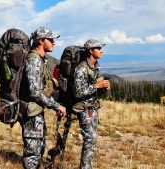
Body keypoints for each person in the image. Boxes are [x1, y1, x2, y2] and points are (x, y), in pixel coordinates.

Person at [19, 27, 66, 169]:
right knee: (32, 155)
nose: (54, 43)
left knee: (38, 151)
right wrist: (56, 106)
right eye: (50, 39)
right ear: (41, 40)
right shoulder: (34, 60)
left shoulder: (40, 59)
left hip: (35, 111)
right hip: (31, 112)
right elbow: (35, 92)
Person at [73, 39, 110, 169]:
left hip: (93, 107)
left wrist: (103, 88)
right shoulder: (82, 68)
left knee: (92, 140)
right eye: (98, 48)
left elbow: (94, 90)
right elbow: (78, 92)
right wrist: (96, 86)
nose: (101, 51)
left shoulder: (95, 67)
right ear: (90, 50)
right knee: (89, 140)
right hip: (85, 108)